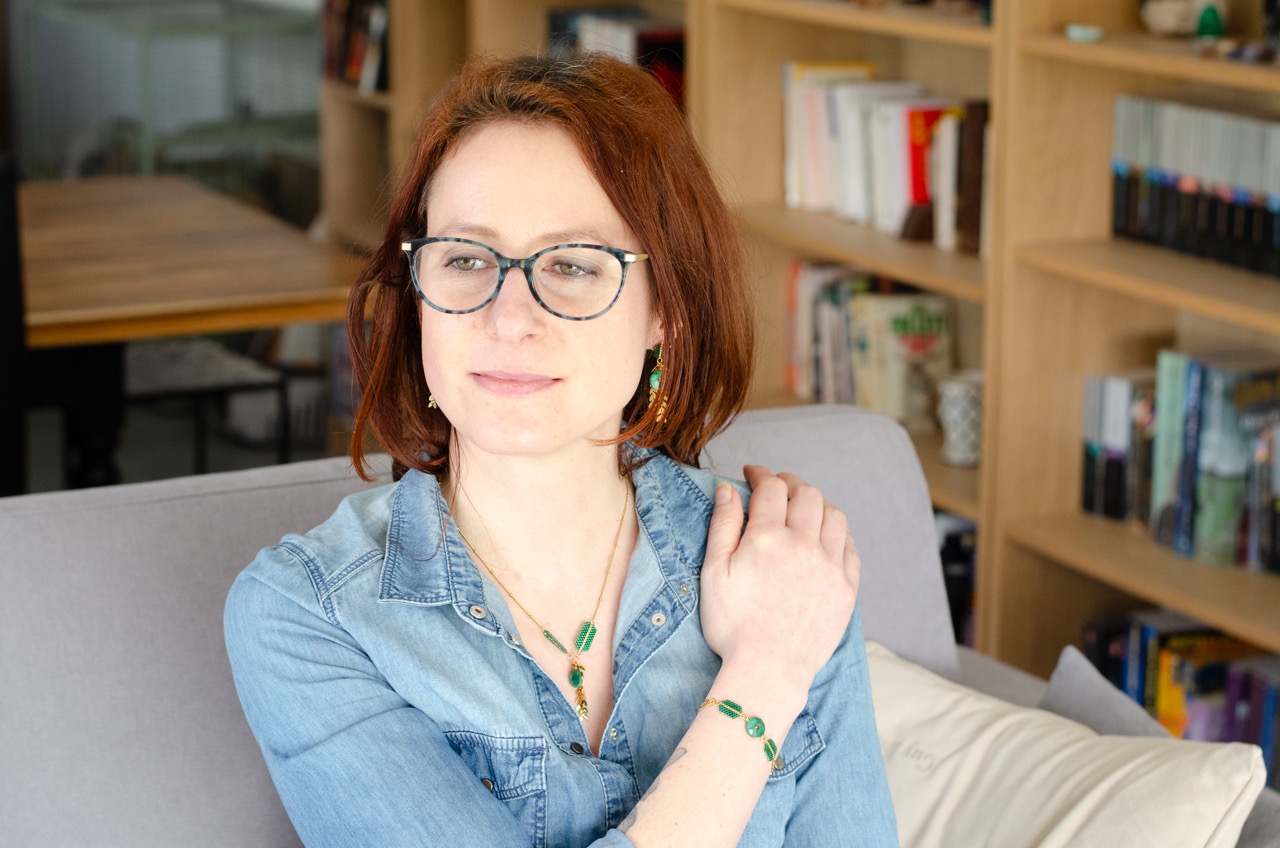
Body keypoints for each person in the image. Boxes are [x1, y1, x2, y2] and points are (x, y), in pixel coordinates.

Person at [224, 52, 898, 848]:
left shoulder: (784, 561)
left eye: (573, 265)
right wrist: (765, 673)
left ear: (666, 311)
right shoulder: (309, 612)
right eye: (466, 259)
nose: (509, 319)